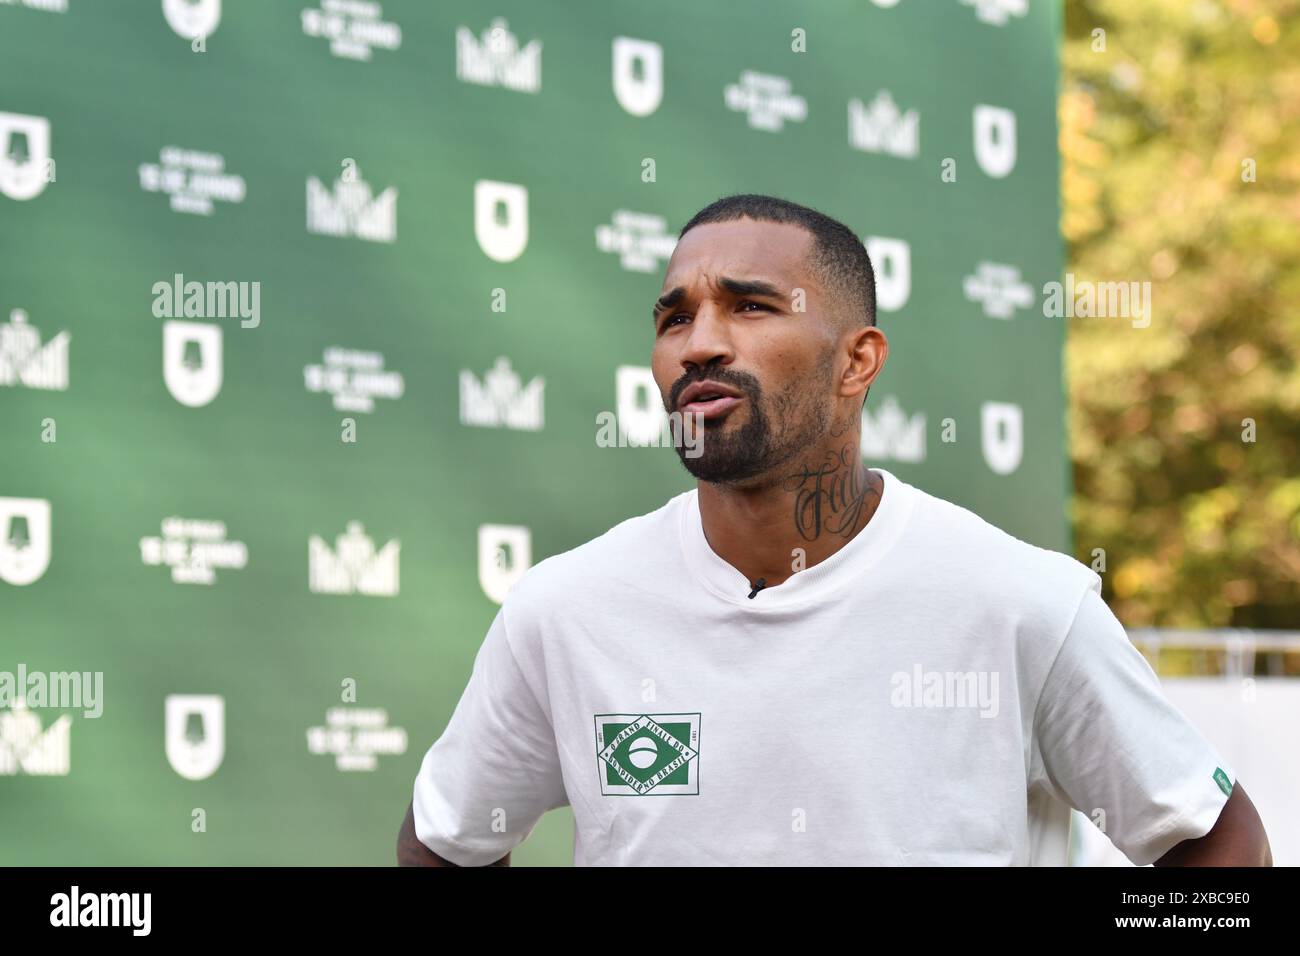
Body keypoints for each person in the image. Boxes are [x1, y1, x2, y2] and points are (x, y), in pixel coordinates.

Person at [397, 194, 1271, 866]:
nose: (698, 344)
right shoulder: (566, 609)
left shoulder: (1020, 604)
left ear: (857, 360)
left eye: (749, 307)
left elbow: (1213, 848)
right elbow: (443, 843)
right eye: (674, 317)